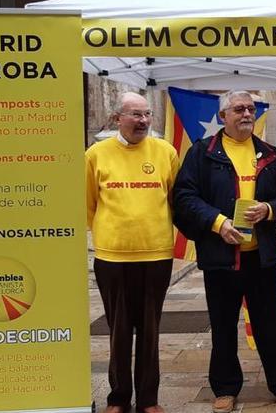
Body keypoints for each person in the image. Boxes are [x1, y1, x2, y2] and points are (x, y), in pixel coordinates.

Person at [172, 91, 276, 413]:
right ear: (223, 116)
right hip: (221, 258)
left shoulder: (269, 155)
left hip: (260, 257)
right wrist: (218, 224)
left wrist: (269, 210)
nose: (247, 113)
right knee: (223, 324)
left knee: (271, 324)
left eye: (251, 108)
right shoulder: (203, 154)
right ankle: (226, 388)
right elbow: (185, 197)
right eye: (239, 109)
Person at [85, 92, 180, 413]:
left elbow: (175, 199)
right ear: (117, 119)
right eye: (135, 115)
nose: (142, 121)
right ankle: (119, 398)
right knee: (119, 331)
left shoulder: (166, 152)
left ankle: (149, 400)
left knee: (151, 330)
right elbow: (88, 204)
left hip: (156, 255)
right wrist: (110, 233)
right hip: (113, 258)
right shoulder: (96, 154)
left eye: (147, 114)